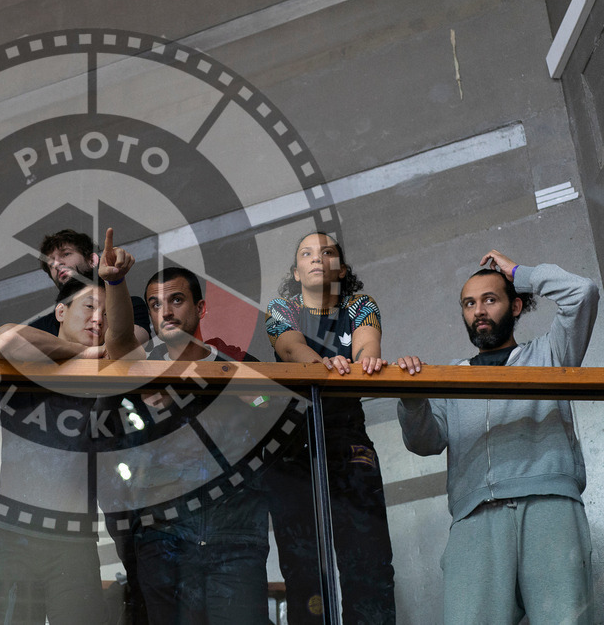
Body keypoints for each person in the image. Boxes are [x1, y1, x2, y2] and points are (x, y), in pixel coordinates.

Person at [395, 250, 599, 624]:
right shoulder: (448, 377)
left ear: (516, 306)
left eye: (490, 299)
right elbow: (424, 442)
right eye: (469, 303)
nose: (479, 311)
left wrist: (520, 272)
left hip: (549, 508)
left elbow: (582, 292)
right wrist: (412, 399)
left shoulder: (550, 354)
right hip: (476, 519)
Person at [99, 228, 271, 625]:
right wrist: (115, 282)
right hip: (164, 536)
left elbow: (269, 402)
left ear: (201, 307)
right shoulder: (146, 368)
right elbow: (121, 339)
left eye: (176, 300)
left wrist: (218, 387)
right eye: (156, 305)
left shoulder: (234, 360)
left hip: (236, 533)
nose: (166, 312)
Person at [264, 231, 395, 623]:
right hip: (293, 447)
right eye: (307, 253)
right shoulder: (280, 309)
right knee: (304, 574)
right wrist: (320, 364)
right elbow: (289, 348)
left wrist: (363, 361)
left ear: (341, 266)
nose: (317, 258)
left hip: (347, 440)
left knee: (369, 566)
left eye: (327, 251)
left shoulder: (359, 304)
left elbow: (368, 350)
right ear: (296, 271)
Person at [0, 277, 111, 625]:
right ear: (60, 311)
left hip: (75, 538)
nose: (99, 318)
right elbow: (5, 340)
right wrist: (82, 352)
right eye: (89, 307)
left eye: (106, 312)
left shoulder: (108, 370)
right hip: (12, 533)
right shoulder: (26, 359)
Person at [34, 229, 151, 345]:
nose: (57, 264)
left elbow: (128, 347)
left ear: (92, 260)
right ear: (60, 313)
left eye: (66, 254)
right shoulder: (41, 326)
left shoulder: (132, 306)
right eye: (50, 264)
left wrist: (116, 280)